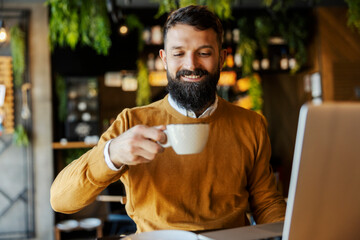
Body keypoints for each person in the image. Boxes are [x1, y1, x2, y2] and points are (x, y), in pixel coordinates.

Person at [51, 5, 286, 233]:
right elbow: (61, 200)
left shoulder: (251, 124)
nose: (191, 65)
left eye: (204, 53)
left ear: (222, 58)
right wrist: (111, 153)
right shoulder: (132, 123)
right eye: (178, 54)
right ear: (164, 59)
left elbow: (266, 203)